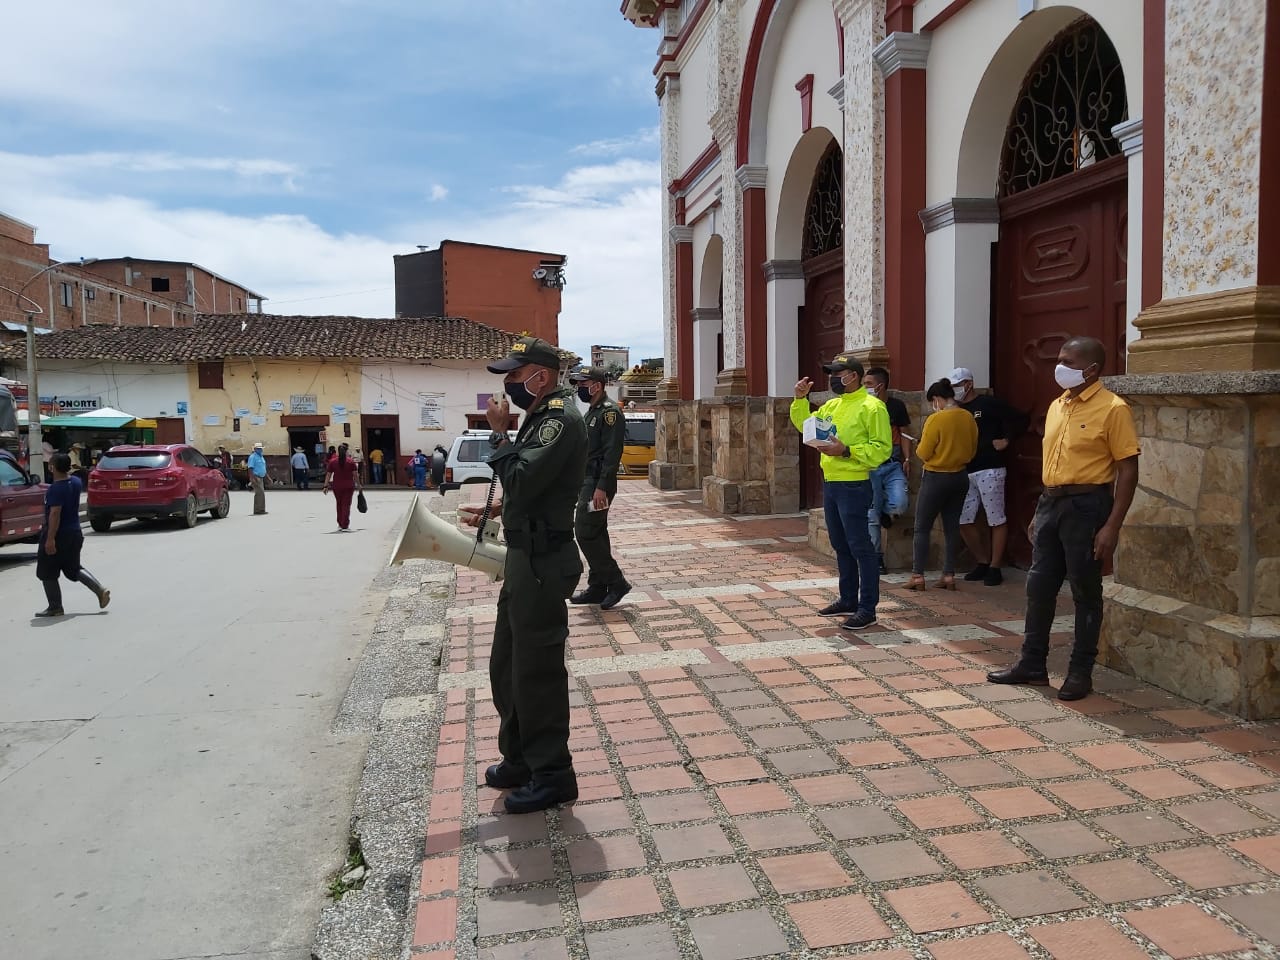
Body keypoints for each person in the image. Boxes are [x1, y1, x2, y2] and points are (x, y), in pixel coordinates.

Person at [458, 336, 586, 814]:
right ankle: (520, 758)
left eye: (515, 373)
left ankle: (553, 774)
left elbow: (524, 479)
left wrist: (497, 435)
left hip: (542, 562)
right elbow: (526, 491)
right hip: (524, 558)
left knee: (537, 672)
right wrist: (496, 508)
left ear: (543, 376)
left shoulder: (560, 422)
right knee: (507, 665)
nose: (509, 383)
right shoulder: (540, 418)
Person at [987, 336, 1139, 701]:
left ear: (1092, 369)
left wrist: (1112, 526)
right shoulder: (1057, 405)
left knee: (1086, 592)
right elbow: (1055, 461)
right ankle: (1032, 664)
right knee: (1039, 587)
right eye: (1059, 360)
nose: (1060, 368)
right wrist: (1042, 508)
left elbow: (1128, 470)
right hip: (1051, 504)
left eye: (1069, 362)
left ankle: (1080, 671)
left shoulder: (1113, 408)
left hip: (1088, 507)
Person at [791, 352, 892, 631]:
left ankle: (867, 607)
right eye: (832, 373)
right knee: (841, 544)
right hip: (832, 482)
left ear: (853, 376)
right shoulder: (832, 405)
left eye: (838, 373)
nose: (833, 378)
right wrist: (800, 400)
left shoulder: (872, 407)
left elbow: (881, 449)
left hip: (855, 483)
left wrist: (846, 450)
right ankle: (848, 598)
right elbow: (806, 426)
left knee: (860, 546)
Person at [951, 366, 1029, 586]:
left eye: (958, 385)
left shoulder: (988, 404)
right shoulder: (955, 410)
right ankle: (982, 561)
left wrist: (1007, 439)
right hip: (965, 469)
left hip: (990, 468)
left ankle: (995, 566)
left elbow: (1020, 418)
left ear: (968, 384)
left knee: (996, 517)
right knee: (964, 519)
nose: (956, 390)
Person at [907, 379, 979, 592]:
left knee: (922, 527)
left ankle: (918, 575)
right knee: (952, 527)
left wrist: (919, 445)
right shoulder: (968, 417)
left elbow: (923, 453)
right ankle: (948, 574)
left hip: (936, 477)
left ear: (937, 399)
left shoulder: (935, 419)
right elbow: (973, 449)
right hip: (960, 476)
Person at [568, 366, 631, 610]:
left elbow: (612, 453)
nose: (580, 388)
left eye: (583, 384)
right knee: (596, 532)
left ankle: (616, 582)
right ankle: (597, 586)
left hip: (598, 485)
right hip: (587, 482)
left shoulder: (609, 413)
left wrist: (602, 487)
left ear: (597, 385)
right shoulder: (592, 412)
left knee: (584, 531)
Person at [35, 453, 110, 617]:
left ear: (53, 467)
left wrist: (50, 539)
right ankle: (99, 589)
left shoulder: (55, 489)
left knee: (46, 571)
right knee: (73, 568)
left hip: (59, 534)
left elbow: (55, 514)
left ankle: (55, 606)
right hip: (75, 533)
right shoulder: (75, 482)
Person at [863, 367, 912, 575]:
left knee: (900, 503)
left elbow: (905, 435)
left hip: (892, 464)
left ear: (880, 386)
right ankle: (876, 559)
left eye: (868, 384)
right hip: (870, 466)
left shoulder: (896, 406)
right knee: (871, 516)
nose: (865, 388)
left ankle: (887, 512)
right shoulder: (863, 407)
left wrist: (908, 458)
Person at [323, 442, 362, 531]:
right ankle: (345, 524)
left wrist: (325, 486)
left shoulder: (333, 462)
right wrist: (359, 486)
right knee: (346, 505)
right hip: (348, 486)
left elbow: (328, 475)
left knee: (339, 504)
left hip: (337, 486)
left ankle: (340, 524)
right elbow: (355, 475)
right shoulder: (351, 462)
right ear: (346, 451)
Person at [247, 442, 268, 515]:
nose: (260, 450)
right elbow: (250, 468)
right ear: (255, 449)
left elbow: (263, 468)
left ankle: (261, 509)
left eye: (261, 449)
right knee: (259, 493)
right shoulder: (252, 457)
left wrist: (268, 477)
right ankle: (257, 510)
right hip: (256, 476)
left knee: (261, 494)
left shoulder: (261, 457)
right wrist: (252, 478)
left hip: (261, 477)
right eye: (258, 449)